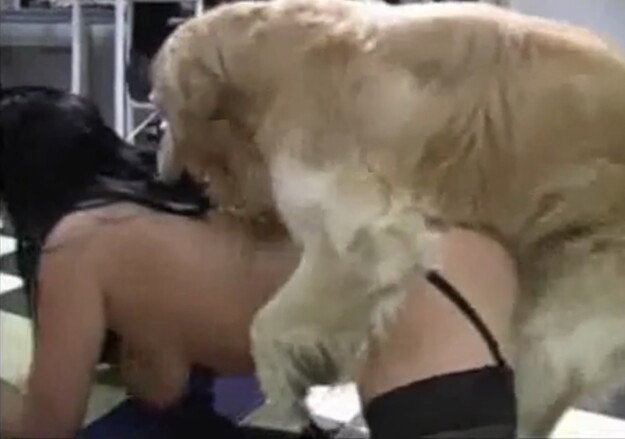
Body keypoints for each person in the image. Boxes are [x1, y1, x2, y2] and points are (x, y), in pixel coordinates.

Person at [0, 86, 519, 438]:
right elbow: (164, 389)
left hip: (424, 324)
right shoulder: (167, 195)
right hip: (465, 282)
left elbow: (46, 429)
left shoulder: (76, 246)